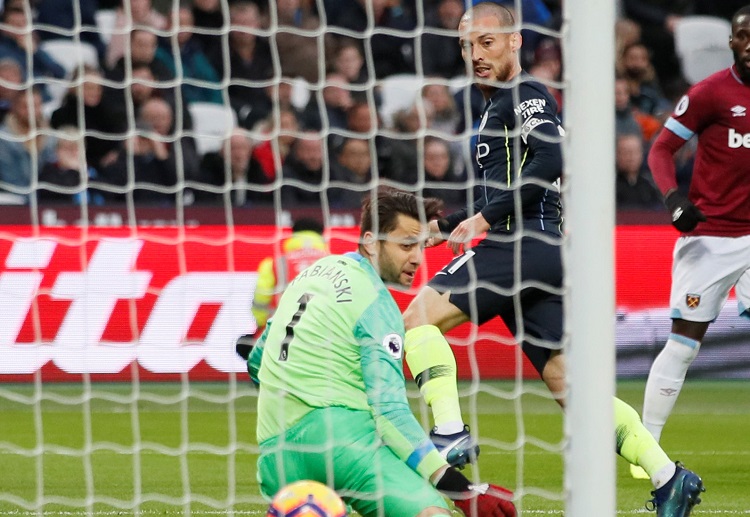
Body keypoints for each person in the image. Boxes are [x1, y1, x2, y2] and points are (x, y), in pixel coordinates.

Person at [399, 3, 705, 515]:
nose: (475, 54)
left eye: (487, 43)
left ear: (515, 42)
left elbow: (550, 161)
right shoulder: (499, 105)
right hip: (539, 255)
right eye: (466, 45)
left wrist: (485, 221)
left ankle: (449, 433)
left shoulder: (527, 94)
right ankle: (668, 475)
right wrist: (446, 225)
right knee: (572, 389)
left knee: (417, 319)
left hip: (519, 245)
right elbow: (507, 188)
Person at [243, 187, 517, 517]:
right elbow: (389, 413)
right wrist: (459, 490)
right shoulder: (376, 304)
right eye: (405, 246)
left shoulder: (309, 275)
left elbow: (258, 360)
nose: (417, 257)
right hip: (340, 443)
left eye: (420, 246)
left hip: (275, 456)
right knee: (432, 513)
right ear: (371, 241)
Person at [632, 5, 750, 483]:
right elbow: (660, 149)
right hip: (711, 237)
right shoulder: (710, 93)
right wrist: (675, 198)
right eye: (746, 36)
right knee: (683, 346)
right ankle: (647, 447)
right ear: (733, 42)